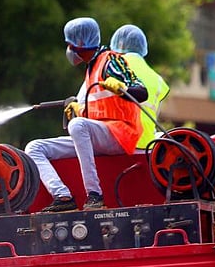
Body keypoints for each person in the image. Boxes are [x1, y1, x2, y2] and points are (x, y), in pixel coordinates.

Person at [25, 17, 147, 212]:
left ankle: (95, 196)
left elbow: (142, 92)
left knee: (77, 126)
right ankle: (62, 197)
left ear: (80, 44)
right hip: (99, 136)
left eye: (70, 44)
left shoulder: (110, 61)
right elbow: (100, 110)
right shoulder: (91, 68)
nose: (69, 50)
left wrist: (123, 88)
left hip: (121, 134)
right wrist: (79, 109)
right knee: (35, 147)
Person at [109, 24, 169, 149]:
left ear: (119, 45)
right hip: (147, 146)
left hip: (118, 142)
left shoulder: (112, 66)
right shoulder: (158, 79)